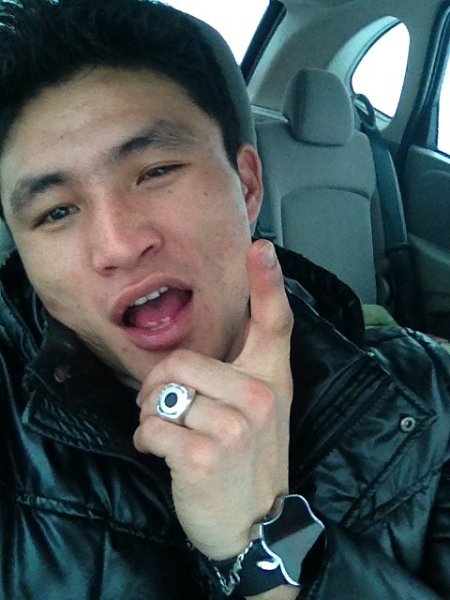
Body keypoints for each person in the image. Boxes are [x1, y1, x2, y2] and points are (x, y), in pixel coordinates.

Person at [0, 0, 449, 598]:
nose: (119, 246)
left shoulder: (430, 401)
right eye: (56, 211)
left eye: (156, 171)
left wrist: (262, 541)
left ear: (247, 184)